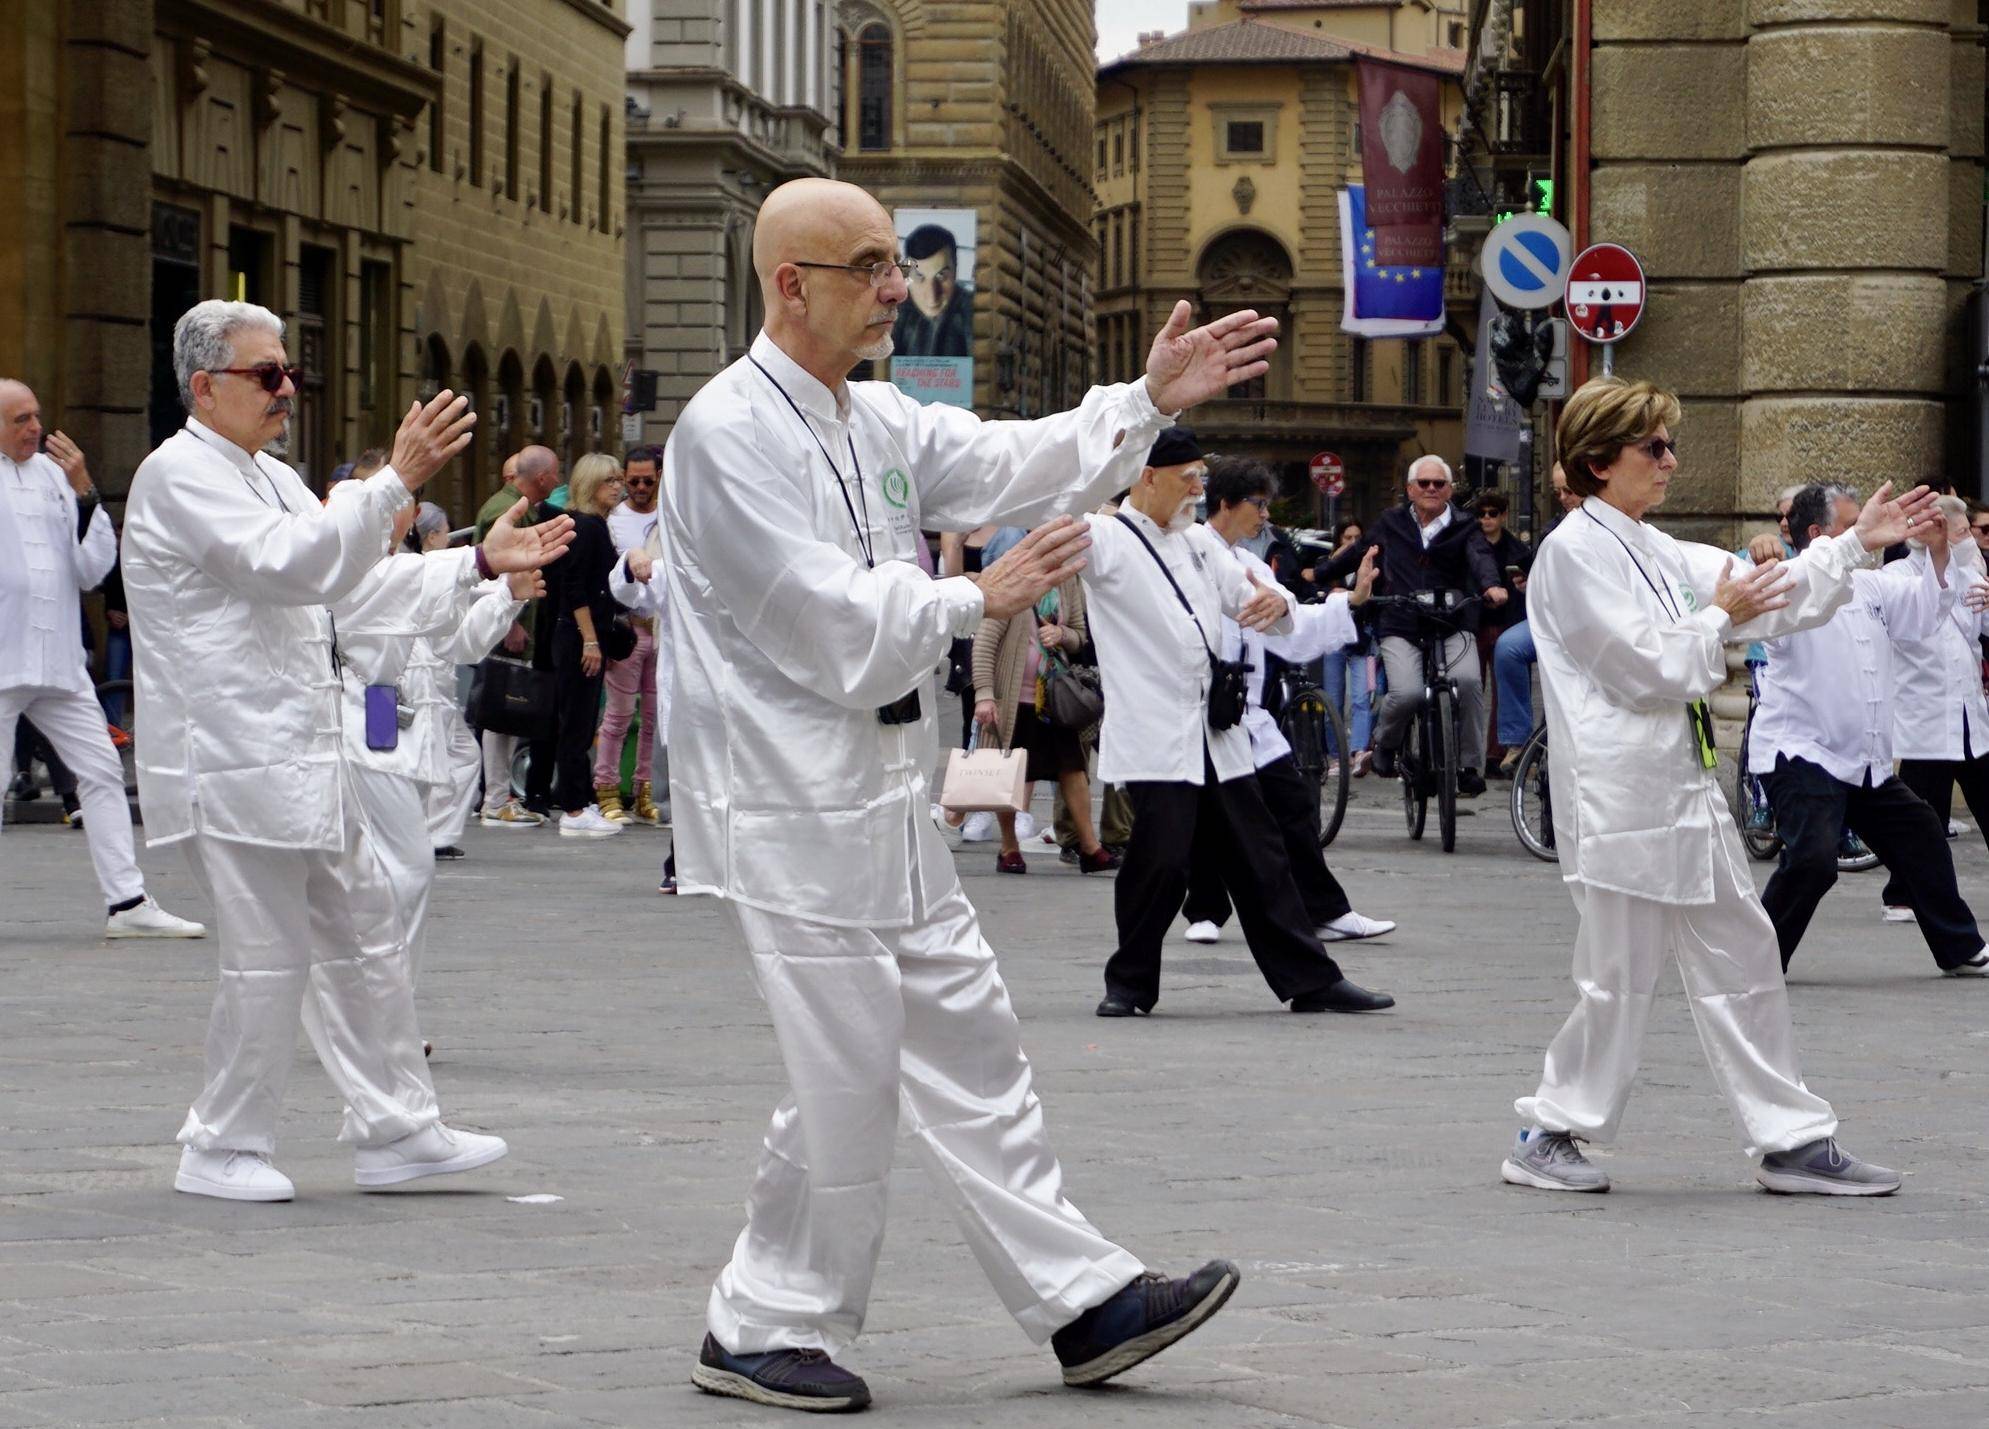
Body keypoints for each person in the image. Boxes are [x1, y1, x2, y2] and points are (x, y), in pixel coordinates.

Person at [666, 176, 1273, 1412]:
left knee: (971, 1039)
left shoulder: (873, 416)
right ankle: (759, 1318)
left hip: (885, 795)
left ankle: (1080, 1296)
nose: (900, 288)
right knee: (847, 1072)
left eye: (897, 262)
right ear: (792, 284)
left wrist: (1143, 400)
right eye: (873, 267)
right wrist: (970, 601)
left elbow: (1005, 460)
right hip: (789, 803)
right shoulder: (727, 432)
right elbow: (814, 618)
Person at [122, 298, 573, 1202]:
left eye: (290, 371)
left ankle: (396, 1127)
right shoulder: (178, 475)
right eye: (267, 375)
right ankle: (220, 1141)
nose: (288, 388)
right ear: (205, 387)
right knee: (268, 951)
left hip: (305, 748)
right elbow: (300, 567)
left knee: (366, 932)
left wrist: (478, 565)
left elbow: (350, 593)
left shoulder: (275, 478)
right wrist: (394, 480)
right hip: (236, 750)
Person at [1501, 376, 1923, 1199]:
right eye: (1651, 446)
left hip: (1678, 792)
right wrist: (1718, 616)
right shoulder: (1571, 554)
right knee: (1615, 977)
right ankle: (1552, 1128)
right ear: (1596, 461)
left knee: (1745, 949)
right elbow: (1645, 665)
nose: (1669, 460)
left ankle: (1791, 1138)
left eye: (1667, 443)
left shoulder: (1651, 546)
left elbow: (1763, 597)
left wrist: (1846, 546)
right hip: (1619, 799)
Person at [1080, 429, 1394, 1018]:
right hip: (1155, 731)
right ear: (1148, 476)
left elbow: (1255, 600)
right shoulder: (1105, 539)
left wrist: (1278, 606)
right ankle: (1129, 983)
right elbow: (1050, 526)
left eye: (1203, 475)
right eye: (1190, 476)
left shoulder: (1201, 542)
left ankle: (1311, 980)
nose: (1200, 488)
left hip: (1217, 732)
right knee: (1162, 860)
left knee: (1261, 854)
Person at [1751, 483, 1989, 977]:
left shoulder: (1873, 586)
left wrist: (1940, 547)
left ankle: (1959, 946)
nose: (1872, 531)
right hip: (1803, 756)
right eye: (1855, 522)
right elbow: (1785, 580)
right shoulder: (1788, 582)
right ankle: (1754, 960)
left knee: (1922, 832)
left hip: (1863, 761)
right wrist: (1764, 548)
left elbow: (1925, 612)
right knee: (1815, 861)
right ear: (1818, 534)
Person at [0, 378, 205, 939]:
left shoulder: (54, 479)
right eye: (20, 419)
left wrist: (87, 493)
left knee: (100, 770)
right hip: (4, 655)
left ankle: (128, 902)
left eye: (36, 416)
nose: (35, 428)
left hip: (59, 658)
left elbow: (91, 570)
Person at [1178, 457, 1397, 954]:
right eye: (1257, 504)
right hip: (1201, 709)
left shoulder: (1252, 566)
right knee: (1204, 812)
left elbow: (1294, 632)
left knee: (1293, 805)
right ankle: (1205, 909)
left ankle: (1326, 912)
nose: (1265, 515)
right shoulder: (1189, 553)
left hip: (1249, 714)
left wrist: (1354, 601)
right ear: (1226, 504)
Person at [1325, 455, 1504, 795]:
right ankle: (1386, 744)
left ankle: (1467, 765)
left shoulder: (1465, 525)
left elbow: (1481, 558)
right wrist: (1316, 575)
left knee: (1467, 682)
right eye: (1424, 483)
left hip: (1452, 622)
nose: (1432, 489)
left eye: (1439, 483)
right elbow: (1360, 551)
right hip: (1401, 621)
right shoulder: (1391, 522)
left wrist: (1491, 587)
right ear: (1410, 489)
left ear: (1450, 490)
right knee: (1405, 693)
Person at [970, 565, 1116, 873]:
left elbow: (1079, 636)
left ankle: (1090, 847)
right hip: (1013, 699)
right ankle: (1009, 847)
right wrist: (984, 694)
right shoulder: (1012, 578)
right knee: (1010, 774)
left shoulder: (1068, 582)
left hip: (1054, 697)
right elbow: (984, 643)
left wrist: (1062, 634)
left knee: (1073, 768)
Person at [1886, 494, 1989, 919]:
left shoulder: (1970, 573)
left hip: (1968, 713)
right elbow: (1914, 628)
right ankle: (1901, 893)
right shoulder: (1896, 575)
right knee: (1923, 816)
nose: (1971, 541)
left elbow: (1979, 630)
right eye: (1962, 531)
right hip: (1925, 713)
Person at [476, 447, 560, 827]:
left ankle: (499, 796)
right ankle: (494, 799)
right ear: (541, 477)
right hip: (505, 619)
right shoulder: (506, 510)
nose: (558, 482)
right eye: (555, 474)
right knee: (501, 704)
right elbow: (498, 566)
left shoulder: (519, 506)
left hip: (513, 616)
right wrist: (510, 622)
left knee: (510, 706)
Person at [546, 452, 626, 838]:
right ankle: (574, 808)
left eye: (618, 479)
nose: (618, 486)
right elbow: (574, 588)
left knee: (582, 719)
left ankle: (579, 800)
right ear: (592, 484)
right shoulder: (587, 526)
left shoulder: (593, 525)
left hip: (584, 634)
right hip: (579, 636)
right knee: (576, 722)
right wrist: (590, 640)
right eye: (610, 479)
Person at [1490, 462, 1583, 775]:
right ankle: (1517, 738)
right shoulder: (1553, 527)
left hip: (1586, 622)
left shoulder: (1602, 525)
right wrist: (1531, 583)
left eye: (1569, 491)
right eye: (1558, 492)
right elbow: (1544, 576)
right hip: (1552, 619)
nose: (1563, 498)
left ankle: (1549, 739)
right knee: (1507, 647)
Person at [595, 447, 664, 826]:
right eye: (632, 480)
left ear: (659, 475)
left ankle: (644, 789)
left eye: (647, 481)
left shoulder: (671, 514)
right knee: (618, 716)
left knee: (654, 718)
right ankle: (606, 786)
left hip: (663, 629)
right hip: (629, 630)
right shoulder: (614, 520)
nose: (639, 487)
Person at [1471, 491, 1532, 773]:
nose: (1486, 519)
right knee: (1471, 690)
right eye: (1481, 514)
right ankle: (1468, 756)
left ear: (1503, 515)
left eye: (1492, 513)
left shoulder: (1518, 550)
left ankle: (1497, 755)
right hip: (1477, 623)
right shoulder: (1469, 545)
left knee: (1503, 692)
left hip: (1508, 622)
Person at [1319, 518, 1375, 775]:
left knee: (1364, 697)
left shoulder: (1370, 566)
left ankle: (1359, 751)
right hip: (1334, 640)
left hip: (1364, 641)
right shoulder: (1328, 566)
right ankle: (1335, 755)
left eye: (1357, 539)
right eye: (1347, 538)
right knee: (1333, 698)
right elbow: (1318, 589)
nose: (1352, 543)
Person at [890, 222, 973, 357]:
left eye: (941, 276)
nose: (932, 295)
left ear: (956, 270)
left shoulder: (972, 310)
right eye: (920, 277)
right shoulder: (895, 310)